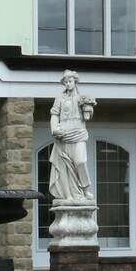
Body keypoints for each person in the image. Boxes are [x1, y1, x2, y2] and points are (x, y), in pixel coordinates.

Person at [49, 71, 97, 206]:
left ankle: (85, 189)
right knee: (63, 166)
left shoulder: (82, 98)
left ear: (75, 81)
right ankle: (68, 195)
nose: (68, 84)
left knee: (80, 161)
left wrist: (89, 109)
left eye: (70, 81)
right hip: (63, 135)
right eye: (65, 82)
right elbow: (54, 115)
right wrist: (54, 130)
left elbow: (88, 115)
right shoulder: (60, 98)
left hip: (79, 133)